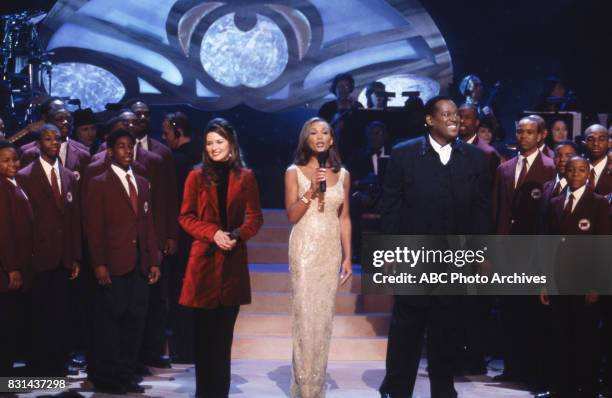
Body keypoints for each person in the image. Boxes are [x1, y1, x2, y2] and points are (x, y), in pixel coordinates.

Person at [378, 96, 490, 398]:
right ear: (429, 120)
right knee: (406, 330)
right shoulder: (404, 154)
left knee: (447, 330)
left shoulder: (475, 158)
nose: (455, 119)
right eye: (447, 114)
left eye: (457, 115)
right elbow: (391, 207)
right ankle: (396, 390)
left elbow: (481, 210)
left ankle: (444, 391)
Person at [179, 118, 263, 397]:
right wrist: (213, 233)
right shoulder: (196, 176)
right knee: (203, 342)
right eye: (209, 143)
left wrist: (237, 235)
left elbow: (255, 218)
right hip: (203, 265)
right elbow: (186, 217)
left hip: (232, 265)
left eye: (219, 142)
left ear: (231, 144)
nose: (214, 148)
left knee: (223, 341)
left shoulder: (246, 177)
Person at [85, 129, 160, 394]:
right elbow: (94, 228)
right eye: (121, 146)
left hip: (139, 264)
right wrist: (99, 263)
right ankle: (109, 377)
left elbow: (147, 223)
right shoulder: (99, 182)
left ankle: (126, 374)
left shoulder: (140, 182)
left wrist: (153, 259)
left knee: (134, 321)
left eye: (130, 146)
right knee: (111, 323)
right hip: (113, 264)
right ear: (110, 151)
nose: (127, 151)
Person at [285, 117, 352, 397]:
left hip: (329, 251)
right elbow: (292, 215)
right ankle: (303, 387)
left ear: (332, 139)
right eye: (313, 132)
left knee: (323, 318)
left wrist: (348, 257)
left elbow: (345, 217)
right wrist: (311, 189)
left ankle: (317, 386)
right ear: (306, 139)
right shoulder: (294, 171)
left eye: (325, 132)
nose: (320, 136)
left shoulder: (344, 175)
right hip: (304, 248)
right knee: (304, 316)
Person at [539, 156, 610, 398]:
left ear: (588, 174)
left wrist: (597, 284)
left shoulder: (598, 203)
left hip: (584, 281)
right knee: (559, 335)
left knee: (585, 337)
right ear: (566, 173)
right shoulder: (556, 202)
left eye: (581, 170)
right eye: (572, 170)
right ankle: (560, 387)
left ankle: (586, 388)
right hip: (559, 280)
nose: (576, 174)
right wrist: (546, 281)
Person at [16, 124, 81, 377]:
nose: (54, 142)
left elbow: (73, 219)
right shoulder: (25, 175)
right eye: (47, 138)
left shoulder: (67, 175)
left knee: (60, 314)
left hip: (63, 258)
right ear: (38, 143)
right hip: (38, 258)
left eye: (56, 139)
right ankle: (38, 368)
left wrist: (75, 256)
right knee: (38, 315)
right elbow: (23, 223)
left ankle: (57, 366)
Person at [161, 111, 201, 363]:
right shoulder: (201, 157)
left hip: (181, 234)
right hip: (198, 233)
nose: (163, 137)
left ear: (177, 130)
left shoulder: (176, 161)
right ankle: (190, 347)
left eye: (166, 132)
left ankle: (183, 348)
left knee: (179, 291)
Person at [0, 141, 33, 376]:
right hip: (7, 271)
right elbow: (4, 232)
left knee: (14, 325)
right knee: (6, 327)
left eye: (14, 160)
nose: (12, 164)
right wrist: (12, 268)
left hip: (21, 265)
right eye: (5, 160)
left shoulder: (16, 184)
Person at [20, 107, 91, 180]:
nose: (65, 122)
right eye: (59, 119)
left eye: (69, 119)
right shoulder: (29, 153)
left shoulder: (83, 153)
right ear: (49, 122)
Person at [458, 103, 501, 180]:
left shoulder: (488, 153)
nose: (462, 121)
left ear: (476, 122)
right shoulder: (447, 147)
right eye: (459, 117)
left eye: (467, 117)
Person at [583, 124, 611, 195]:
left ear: (609, 143)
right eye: (590, 139)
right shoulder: (575, 168)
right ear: (584, 144)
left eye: (601, 139)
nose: (596, 143)